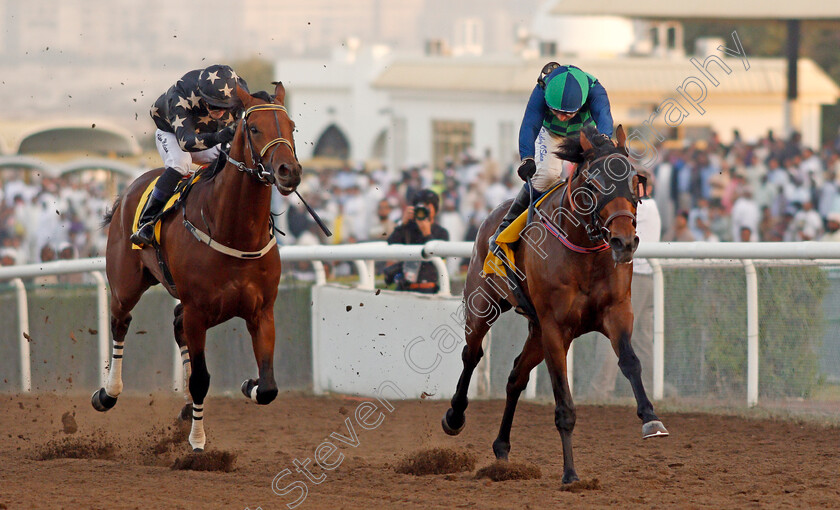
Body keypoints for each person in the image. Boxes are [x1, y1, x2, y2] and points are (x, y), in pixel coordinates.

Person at [488, 62, 614, 256]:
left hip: (585, 132)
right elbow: (530, 125)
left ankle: (603, 227)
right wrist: (527, 158)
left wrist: (604, 142)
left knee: (597, 176)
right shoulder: (541, 89)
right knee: (545, 176)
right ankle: (507, 225)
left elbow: (605, 119)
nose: (562, 118)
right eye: (556, 111)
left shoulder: (595, 90)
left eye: (568, 113)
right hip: (551, 133)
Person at [131, 64, 249, 245]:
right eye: (213, 105)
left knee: (233, 159)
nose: (219, 110)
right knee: (181, 164)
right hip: (173, 133)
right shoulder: (180, 95)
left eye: (224, 105)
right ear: (202, 95)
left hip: (207, 134)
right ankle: (147, 221)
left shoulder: (239, 89)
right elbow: (187, 143)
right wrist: (220, 136)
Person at [587, 170, 660, 399]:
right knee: (643, 339)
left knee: (615, 334)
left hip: (633, 278)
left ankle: (600, 390)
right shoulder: (652, 207)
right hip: (647, 278)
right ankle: (649, 389)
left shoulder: (640, 208)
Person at [385, 189, 449, 293]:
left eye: (427, 206)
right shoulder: (407, 228)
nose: (424, 210)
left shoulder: (441, 232)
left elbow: (441, 256)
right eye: (420, 207)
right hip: (405, 287)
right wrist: (403, 223)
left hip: (428, 288)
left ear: (435, 209)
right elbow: (390, 246)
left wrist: (427, 234)